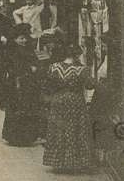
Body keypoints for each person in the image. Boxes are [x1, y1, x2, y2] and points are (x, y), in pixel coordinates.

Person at [43, 41, 94, 172]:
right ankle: (73, 162)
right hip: (75, 102)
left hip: (58, 100)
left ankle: (58, 162)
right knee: (74, 129)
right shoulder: (82, 69)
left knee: (59, 130)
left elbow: (48, 85)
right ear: (78, 55)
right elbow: (89, 85)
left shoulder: (54, 67)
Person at [1, 24, 43, 146]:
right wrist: (30, 69)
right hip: (16, 84)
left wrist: (34, 68)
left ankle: (27, 137)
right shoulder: (12, 51)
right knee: (18, 109)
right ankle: (16, 137)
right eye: (21, 38)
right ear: (15, 39)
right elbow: (11, 67)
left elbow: (35, 63)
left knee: (27, 109)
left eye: (25, 38)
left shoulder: (28, 49)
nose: (24, 40)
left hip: (28, 84)